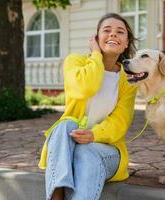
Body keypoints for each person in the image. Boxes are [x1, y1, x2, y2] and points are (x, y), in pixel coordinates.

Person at [38, 13, 137, 200]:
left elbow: (120, 122)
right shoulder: (75, 62)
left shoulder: (127, 80)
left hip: (107, 150)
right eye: (106, 30)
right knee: (64, 126)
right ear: (96, 38)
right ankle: (57, 194)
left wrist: (94, 135)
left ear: (126, 43)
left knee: (86, 150)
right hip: (68, 146)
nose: (113, 35)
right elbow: (86, 87)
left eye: (120, 32)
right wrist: (96, 56)